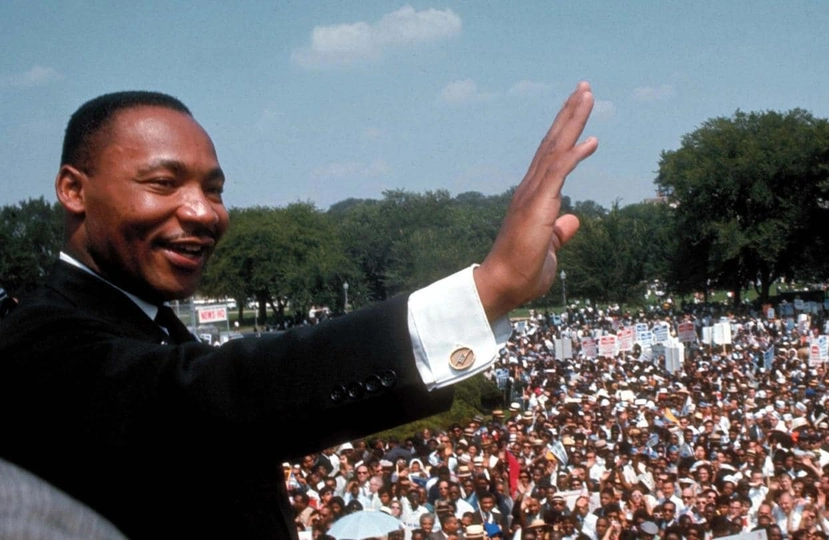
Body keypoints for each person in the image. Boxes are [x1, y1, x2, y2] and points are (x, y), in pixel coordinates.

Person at [0, 83, 598, 539]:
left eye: (214, 189)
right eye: (163, 183)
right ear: (74, 190)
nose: (205, 213)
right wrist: (488, 289)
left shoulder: (149, 325)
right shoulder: (36, 341)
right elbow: (217, 397)